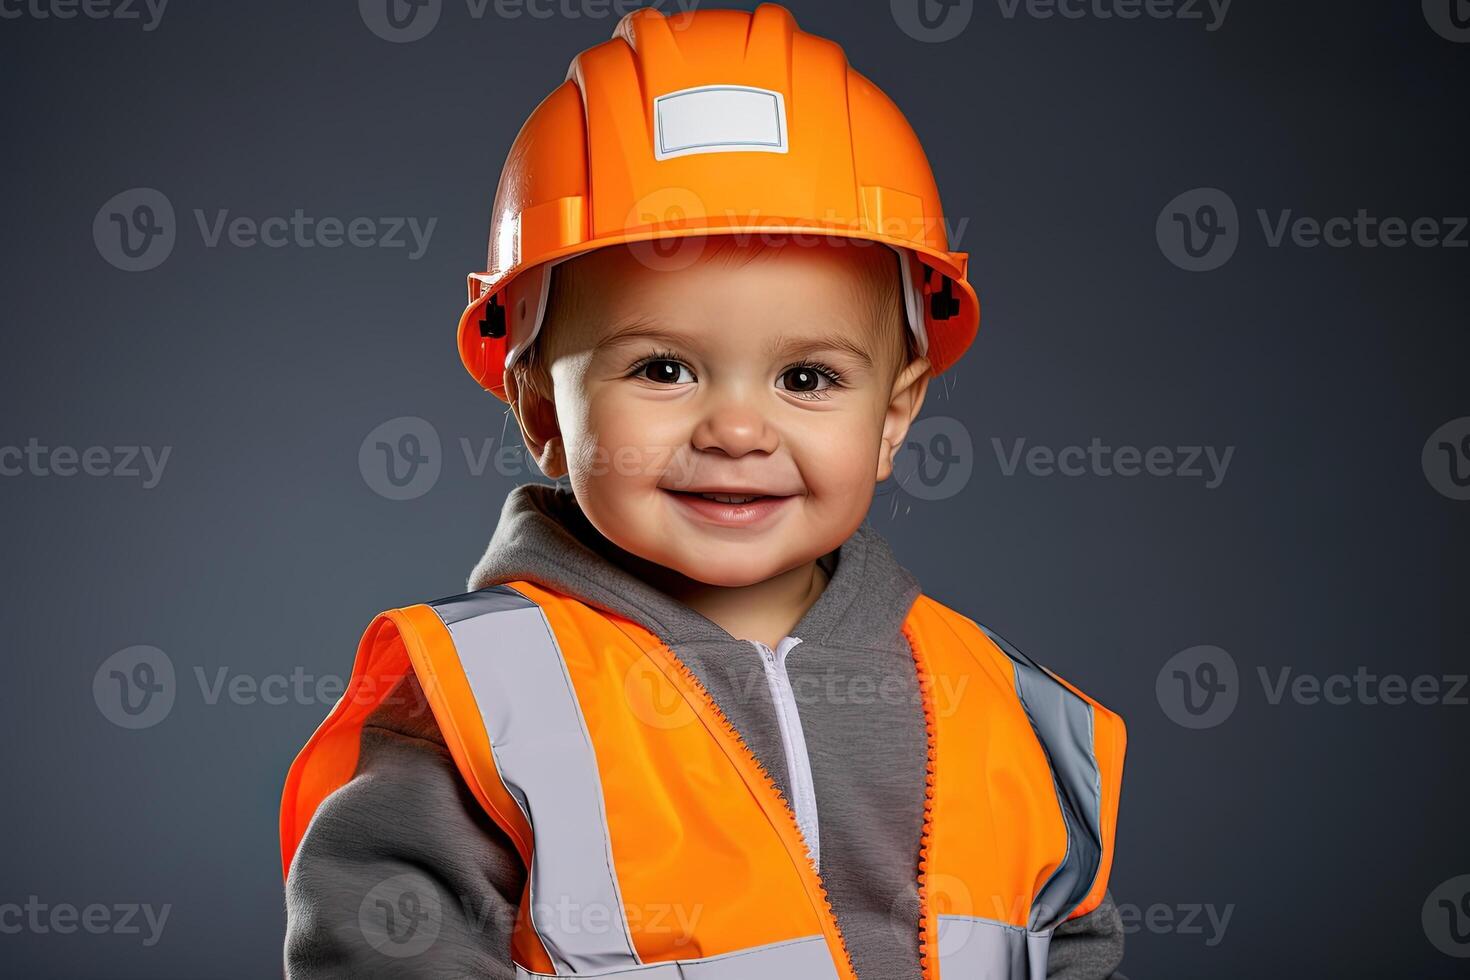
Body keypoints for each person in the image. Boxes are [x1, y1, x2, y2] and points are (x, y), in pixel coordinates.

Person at [280, 5, 1127, 978]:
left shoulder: (1002, 706)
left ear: (894, 415)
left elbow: (1069, 944)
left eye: (806, 378)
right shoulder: (483, 702)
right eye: (662, 369)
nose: (735, 430)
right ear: (539, 404)